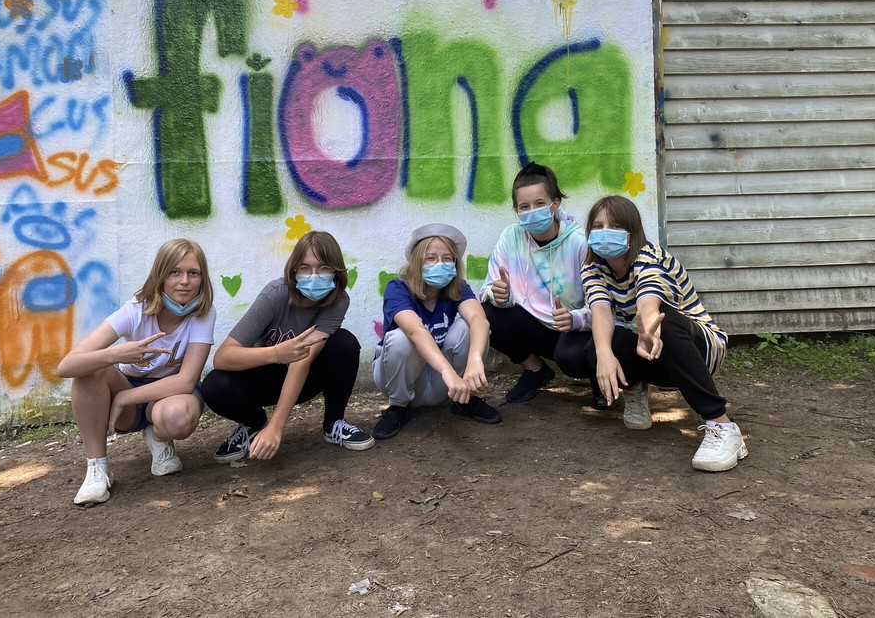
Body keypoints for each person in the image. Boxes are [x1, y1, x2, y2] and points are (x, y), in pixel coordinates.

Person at [570, 195, 746, 472]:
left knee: (665, 320)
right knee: (598, 344)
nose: (605, 233)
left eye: (615, 226)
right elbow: (600, 309)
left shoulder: (651, 257)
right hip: (648, 352)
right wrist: (603, 355)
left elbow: (649, 302)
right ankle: (635, 391)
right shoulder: (592, 267)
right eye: (598, 226)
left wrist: (650, 332)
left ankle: (723, 426)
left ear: (632, 232)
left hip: (696, 348)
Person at [57, 239, 216, 506]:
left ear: (202, 279)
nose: (184, 281)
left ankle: (159, 437)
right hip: (128, 389)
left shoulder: (203, 313)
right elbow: (66, 366)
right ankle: (97, 468)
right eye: (175, 272)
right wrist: (115, 355)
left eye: (193, 273)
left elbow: (186, 381)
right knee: (91, 370)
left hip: (170, 393)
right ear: (160, 275)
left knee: (179, 417)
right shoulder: (135, 311)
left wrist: (124, 398)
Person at [201, 231, 373, 462]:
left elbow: (302, 360)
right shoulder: (275, 295)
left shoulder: (338, 300)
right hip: (265, 377)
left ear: (336, 271)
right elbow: (222, 357)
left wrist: (277, 427)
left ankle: (334, 423)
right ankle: (254, 424)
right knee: (215, 385)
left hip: (304, 378)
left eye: (324, 268)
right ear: (294, 270)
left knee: (344, 343)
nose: (314, 276)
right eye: (305, 268)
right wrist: (277, 354)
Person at [479, 162, 596, 405]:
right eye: (524, 206)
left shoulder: (579, 243)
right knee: (485, 314)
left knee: (573, 359)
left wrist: (576, 319)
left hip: (574, 328)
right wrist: (498, 295)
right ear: (516, 210)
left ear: (556, 204)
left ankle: (600, 376)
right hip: (534, 324)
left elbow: (601, 303)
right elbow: (487, 289)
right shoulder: (511, 236)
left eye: (540, 203)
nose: (532, 211)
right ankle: (535, 370)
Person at [372, 224, 501, 439]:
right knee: (401, 338)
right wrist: (447, 372)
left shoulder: (458, 288)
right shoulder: (397, 288)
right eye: (430, 258)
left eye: (447, 258)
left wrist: (475, 359)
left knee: (469, 327)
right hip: (403, 380)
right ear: (416, 262)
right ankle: (397, 407)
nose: (440, 264)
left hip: (444, 385)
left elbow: (479, 319)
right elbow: (415, 330)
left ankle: (464, 399)